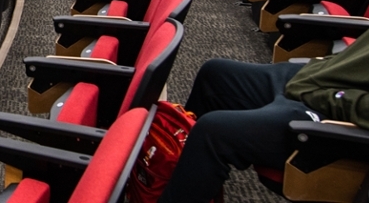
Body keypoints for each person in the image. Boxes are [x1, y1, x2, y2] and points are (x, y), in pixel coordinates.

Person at [157, 34, 369, 203]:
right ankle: (178, 180)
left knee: (213, 131)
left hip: (336, 114)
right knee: (215, 74)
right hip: (318, 80)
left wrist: (320, 93)